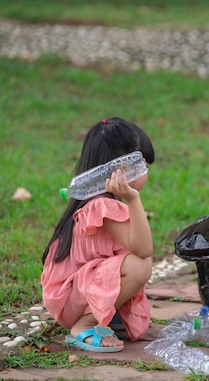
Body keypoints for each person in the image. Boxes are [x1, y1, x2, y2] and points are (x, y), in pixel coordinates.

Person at [41, 117, 155, 352]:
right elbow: (143, 250)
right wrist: (134, 198)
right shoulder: (101, 205)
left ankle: (102, 313)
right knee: (140, 266)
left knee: (136, 263)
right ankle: (85, 323)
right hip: (71, 298)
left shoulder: (98, 202)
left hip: (77, 292)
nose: (147, 173)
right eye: (143, 165)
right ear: (121, 169)